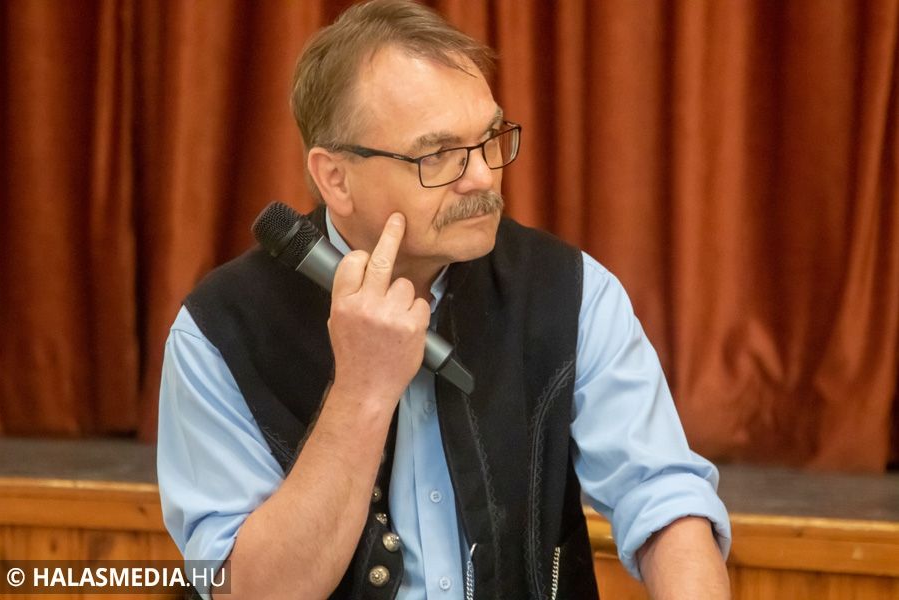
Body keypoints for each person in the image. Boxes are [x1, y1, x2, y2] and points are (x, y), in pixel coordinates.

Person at [157, 1, 732, 598]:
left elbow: (664, 500)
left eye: (489, 139)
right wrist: (361, 392)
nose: (482, 176)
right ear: (336, 178)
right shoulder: (218, 332)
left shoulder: (569, 291)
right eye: (437, 155)